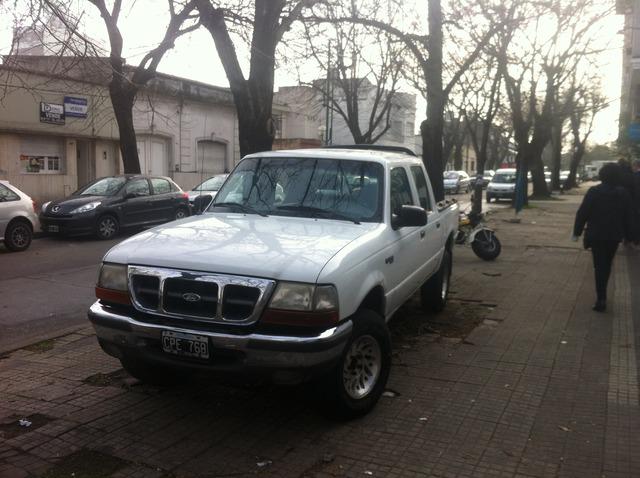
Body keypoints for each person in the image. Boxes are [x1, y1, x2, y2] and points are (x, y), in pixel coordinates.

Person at [572, 163, 632, 312]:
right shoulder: (623, 193)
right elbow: (629, 216)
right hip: (614, 235)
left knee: (599, 266)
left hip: (596, 234)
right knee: (607, 264)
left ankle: (601, 299)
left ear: (602, 175)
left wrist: (577, 232)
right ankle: (602, 294)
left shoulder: (594, 191)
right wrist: (631, 235)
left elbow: (583, 213)